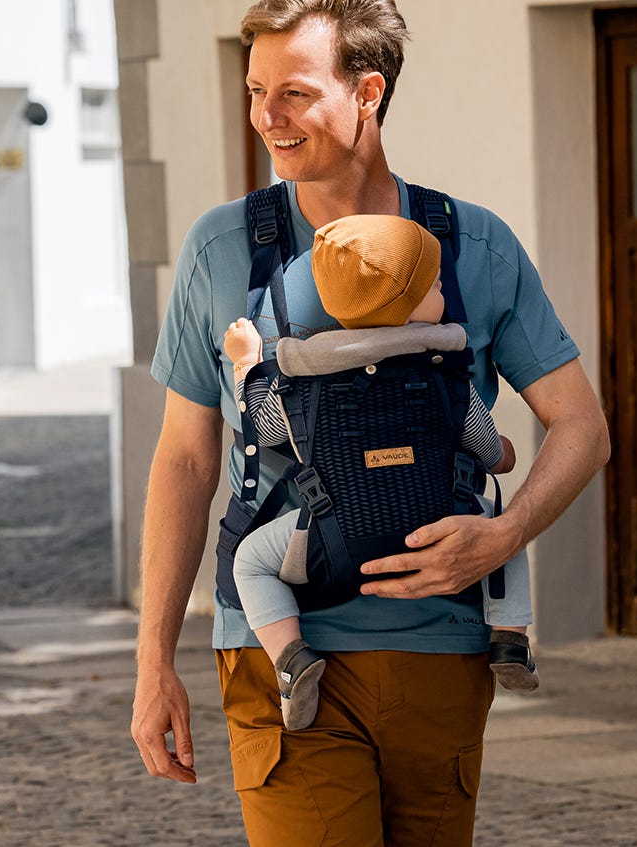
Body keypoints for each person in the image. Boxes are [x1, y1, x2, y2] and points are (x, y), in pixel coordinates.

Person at [129, 0, 610, 843]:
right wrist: (152, 658)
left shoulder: (472, 246)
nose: (266, 118)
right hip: (281, 653)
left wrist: (503, 538)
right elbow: (185, 462)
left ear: (368, 93)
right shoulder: (222, 248)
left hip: (442, 647)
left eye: (294, 93)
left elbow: (580, 425)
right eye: (254, 91)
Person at [222, 213, 537, 733]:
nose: (442, 289)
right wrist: (504, 452)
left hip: (333, 539)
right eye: (434, 283)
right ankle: (509, 636)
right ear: (410, 303)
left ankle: (291, 658)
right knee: (504, 531)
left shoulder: (308, 383)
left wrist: (248, 364)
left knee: (251, 562)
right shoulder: (446, 376)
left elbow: (269, 435)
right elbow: (487, 453)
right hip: (437, 527)